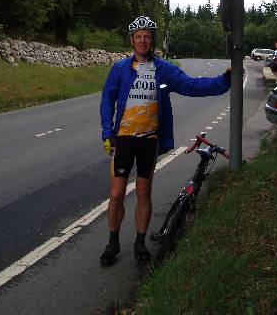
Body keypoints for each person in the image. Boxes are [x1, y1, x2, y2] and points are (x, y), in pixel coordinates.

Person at [99, 15, 231, 266]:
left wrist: (224, 80)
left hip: (150, 140)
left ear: (152, 40)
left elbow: (191, 85)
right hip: (124, 139)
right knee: (116, 194)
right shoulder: (119, 69)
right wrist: (107, 133)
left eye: (147, 36)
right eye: (138, 37)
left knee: (143, 191)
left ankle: (140, 242)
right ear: (132, 41)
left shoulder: (164, 69)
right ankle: (113, 241)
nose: (143, 40)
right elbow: (108, 101)